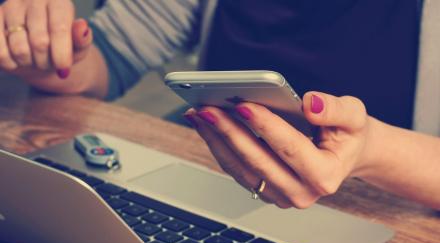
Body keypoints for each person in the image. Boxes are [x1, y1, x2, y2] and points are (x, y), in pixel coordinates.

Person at [0, 0, 439, 209]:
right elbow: (112, 56)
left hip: (393, 225)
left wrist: (372, 150)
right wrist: (51, 55)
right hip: (210, 195)